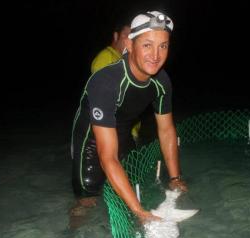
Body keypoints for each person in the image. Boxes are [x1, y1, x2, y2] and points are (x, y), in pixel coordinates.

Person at [71, 10, 187, 222]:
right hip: (92, 141)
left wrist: (175, 178)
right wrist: (140, 212)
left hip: (123, 133)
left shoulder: (162, 81)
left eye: (163, 46)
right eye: (147, 45)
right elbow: (107, 157)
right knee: (87, 205)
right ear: (130, 45)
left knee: (134, 186)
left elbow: (166, 130)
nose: (155, 55)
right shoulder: (106, 82)